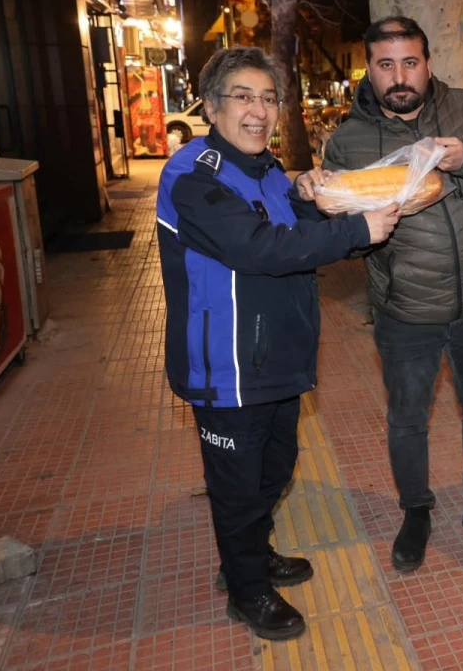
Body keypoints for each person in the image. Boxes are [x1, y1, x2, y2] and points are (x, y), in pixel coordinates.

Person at [156, 47, 400, 641]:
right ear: (212, 105)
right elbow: (258, 247)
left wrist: (322, 200)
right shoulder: (192, 175)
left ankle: (251, 556)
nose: (258, 110)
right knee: (238, 488)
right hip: (227, 366)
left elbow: (297, 226)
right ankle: (246, 591)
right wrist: (353, 230)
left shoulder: (266, 168)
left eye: (268, 98)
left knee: (276, 467)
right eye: (243, 96)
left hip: (277, 357)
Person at [298, 17, 463, 572]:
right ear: (370, 71)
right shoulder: (351, 139)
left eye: (410, 62)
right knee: (408, 417)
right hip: (406, 310)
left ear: (428, 64)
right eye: (386, 64)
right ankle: (416, 511)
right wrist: (329, 208)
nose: (399, 75)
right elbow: (344, 241)